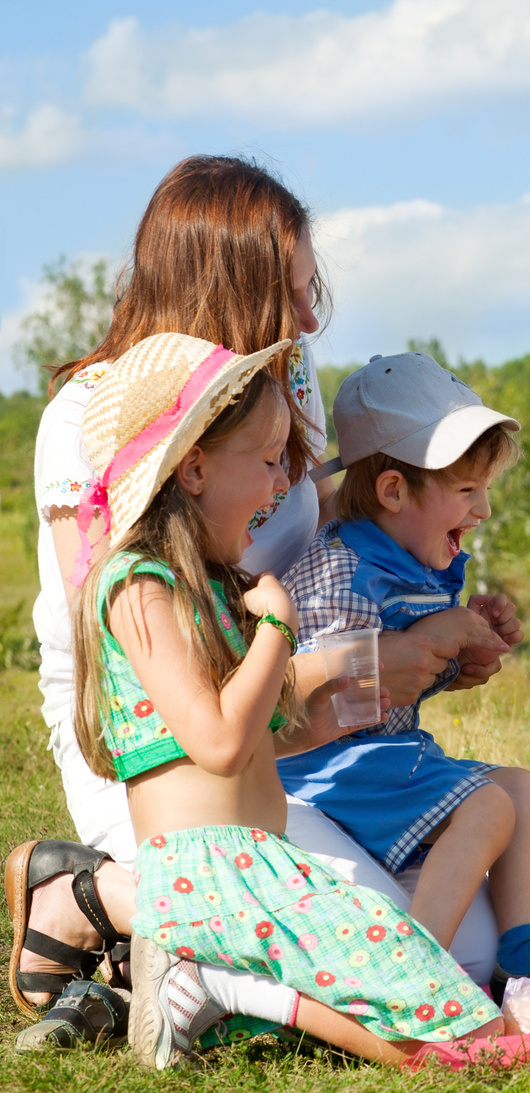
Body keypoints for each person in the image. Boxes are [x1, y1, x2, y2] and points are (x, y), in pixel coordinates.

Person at [10, 156, 504, 1048]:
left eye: (315, 288)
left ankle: (150, 955)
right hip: (163, 747)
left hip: (282, 721)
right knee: (403, 957)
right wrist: (334, 671)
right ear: (220, 289)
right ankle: (95, 894)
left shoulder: (283, 387)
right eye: (292, 291)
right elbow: (130, 659)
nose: (313, 317)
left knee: (469, 944)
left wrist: (414, 642)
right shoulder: (92, 418)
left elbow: (316, 559)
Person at [71, 332, 504, 1069]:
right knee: (453, 1046)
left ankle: (218, 990)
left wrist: (406, 674)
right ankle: (211, 976)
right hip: (213, 876)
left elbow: (271, 732)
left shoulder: (212, 588)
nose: (283, 487)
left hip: (263, 865)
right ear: (196, 467)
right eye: (270, 461)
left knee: (466, 1022)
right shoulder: (139, 587)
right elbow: (217, 742)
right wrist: (276, 627)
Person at [281, 352, 530, 989]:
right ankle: (417, 975)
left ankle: (528, 957)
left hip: (383, 758)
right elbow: (318, 695)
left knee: (523, 791)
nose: (483, 509)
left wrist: (466, 653)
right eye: (466, 491)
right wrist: (432, 638)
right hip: (328, 767)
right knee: (487, 807)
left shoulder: (410, 557)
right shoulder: (341, 570)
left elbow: (410, 672)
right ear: (394, 490)